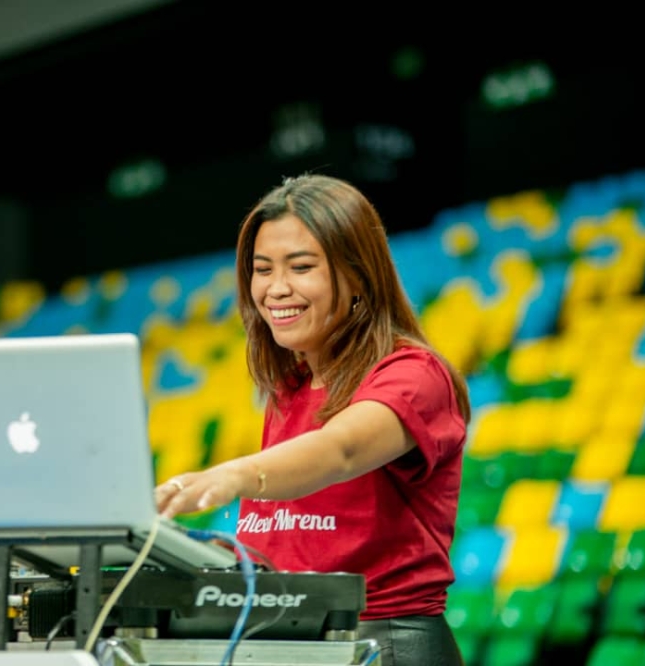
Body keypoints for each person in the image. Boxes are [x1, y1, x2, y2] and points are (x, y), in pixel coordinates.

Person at [154, 174, 471, 665]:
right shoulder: (291, 388)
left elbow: (341, 449)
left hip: (381, 644)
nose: (276, 289)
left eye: (301, 267)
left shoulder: (415, 375)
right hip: (291, 641)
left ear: (360, 275)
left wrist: (236, 474)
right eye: (262, 270)